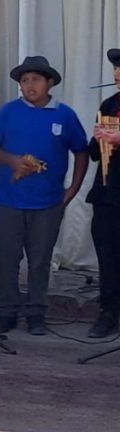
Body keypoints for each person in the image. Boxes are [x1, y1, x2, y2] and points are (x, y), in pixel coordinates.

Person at [0, 55, 88, 336]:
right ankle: (6, 312)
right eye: (24, 80)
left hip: (48, 202)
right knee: (7, 258)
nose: (29, 85)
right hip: (8, 200)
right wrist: (11, 161)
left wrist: (73, 190)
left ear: (49, 83)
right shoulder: (8, 112)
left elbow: (81, 151)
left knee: (40, 260)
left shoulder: (64, 115)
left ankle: (36, 313)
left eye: (35, 79)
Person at [86, 48, 120, 338]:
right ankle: (108, 311)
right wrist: (100, 138)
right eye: (116, 69)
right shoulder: (108, 105)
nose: (117, 73)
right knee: (108, 256)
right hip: (108, 196)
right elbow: (95, 155)